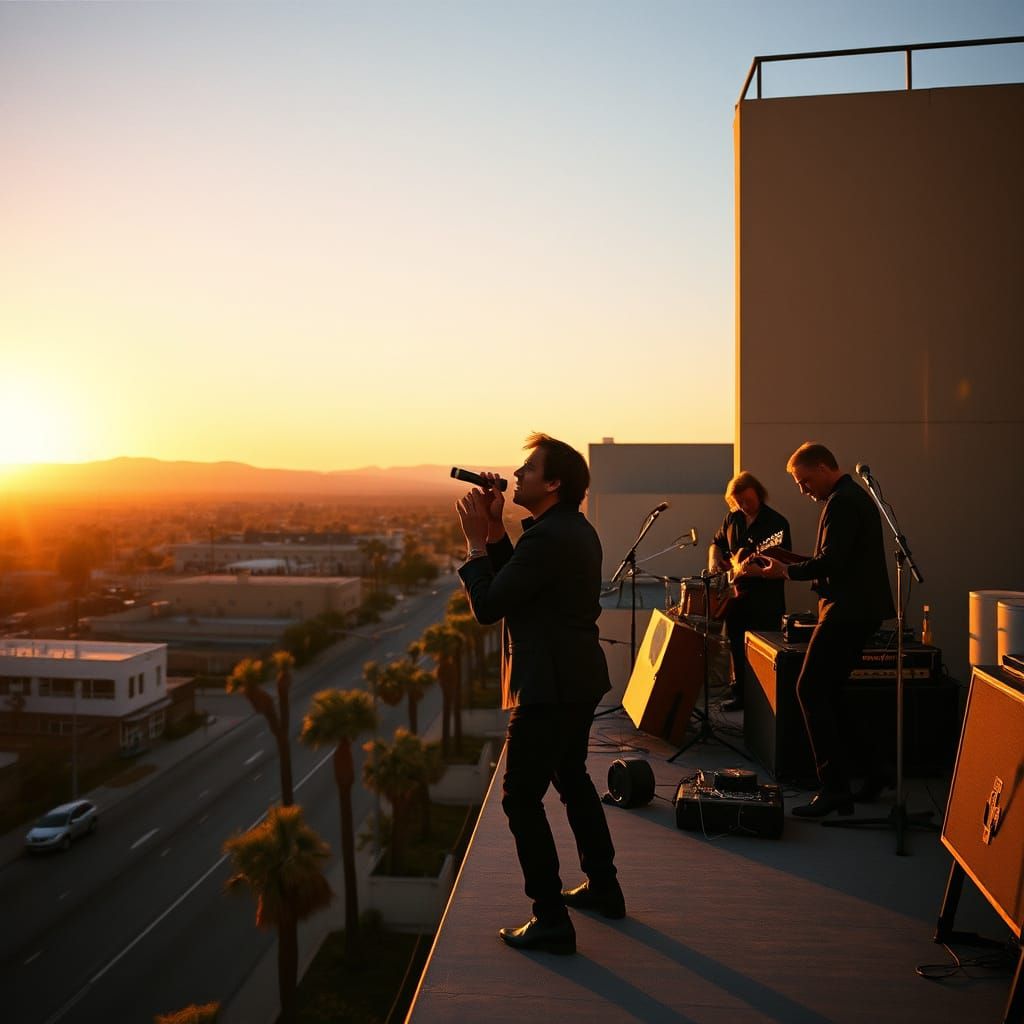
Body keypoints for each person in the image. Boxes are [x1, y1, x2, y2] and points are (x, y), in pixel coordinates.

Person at [455, 433, 623, 955]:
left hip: (548, 684)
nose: (516, 473)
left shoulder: (549, 537)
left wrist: (474, 545)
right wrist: (496, 528)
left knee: (519, 797)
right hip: (576, 677)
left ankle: (550, 917)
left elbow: (490, 604)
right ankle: (604, 886)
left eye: (528, 468)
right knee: (571, 777)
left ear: (553, 482)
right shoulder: (569, 530)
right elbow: (520, 582)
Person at [739, 442, 895, 817]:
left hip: (846, 612)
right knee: (833, 693)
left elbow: (833, 563)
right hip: (858, 610)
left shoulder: (842, 503)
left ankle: (835, 790)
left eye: (804, 481)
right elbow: (832, 560)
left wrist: (784, 572)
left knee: (808, 689)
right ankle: (873, 775)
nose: (802, 490)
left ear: (825, 468)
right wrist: (786, 560)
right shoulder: (848, 498)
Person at [708, 471, 791, 712]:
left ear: (759, 494)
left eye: (747, 500)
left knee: (763, 651)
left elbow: (778, 566)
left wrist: (747, 570)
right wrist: (715, 560)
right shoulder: (732, 518)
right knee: (736, 647)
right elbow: (717, 542)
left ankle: (765, 703)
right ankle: (740, 696)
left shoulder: (777, 524)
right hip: (736, 598)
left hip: (765, 600)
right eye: (738, 501)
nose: (743, 506)